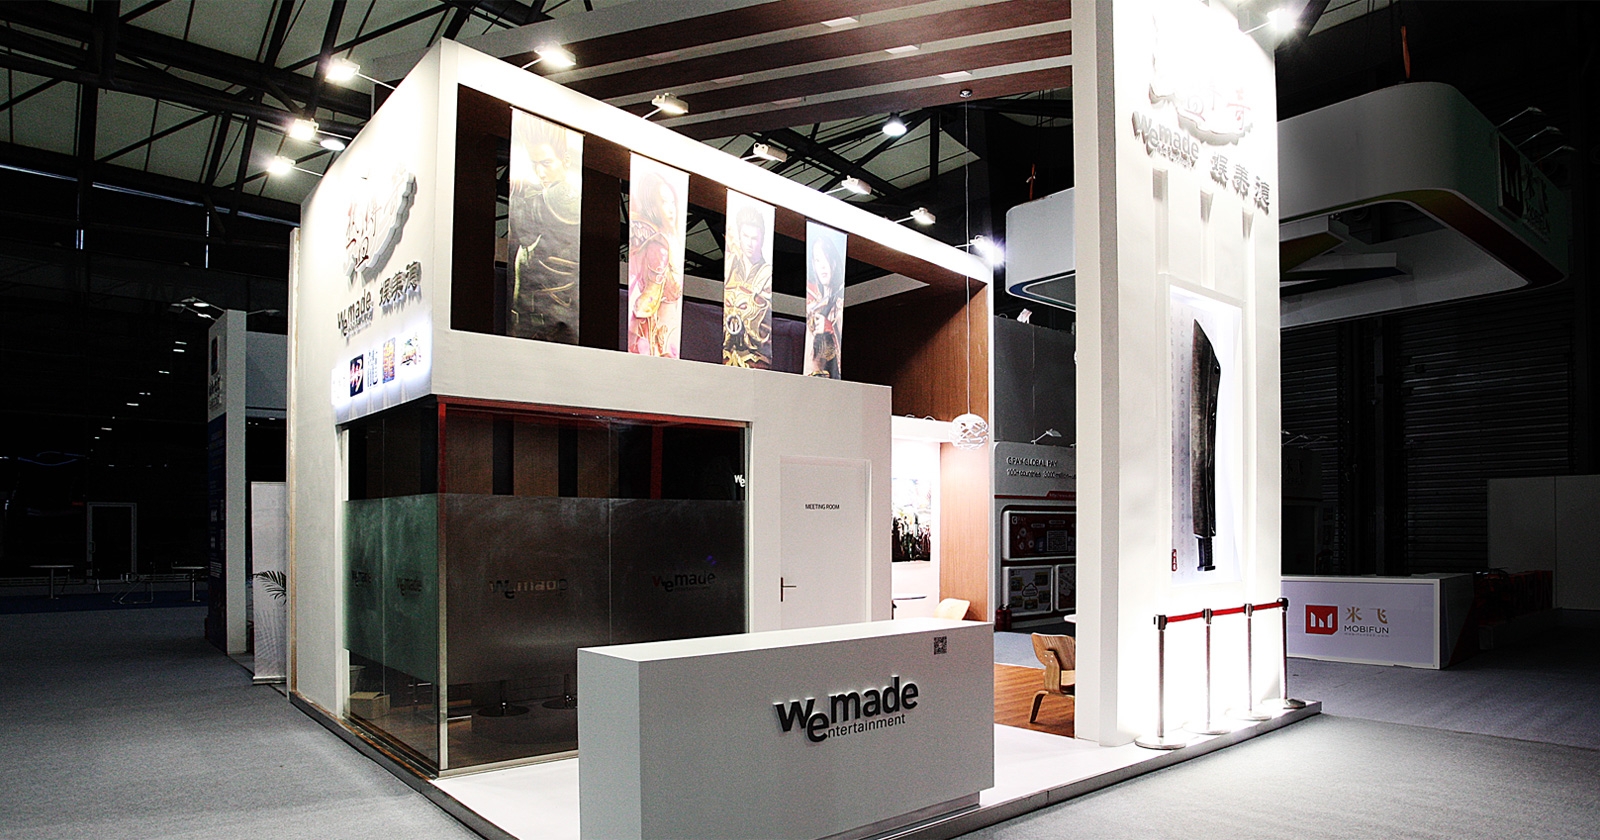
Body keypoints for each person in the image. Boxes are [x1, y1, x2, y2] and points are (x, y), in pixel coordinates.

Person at [508, 118, 581, 343]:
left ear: (565, 160)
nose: (540, 172)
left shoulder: (563, 197)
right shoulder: (539, 197)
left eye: (547, 163)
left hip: (554, 327)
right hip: (529, 324)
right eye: (535, 164)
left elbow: (523, 230)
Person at [628, 167, 684, 357]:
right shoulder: (658, 247)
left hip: (667, 334)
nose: (671, 209)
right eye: (664, 202)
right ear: (653, 207)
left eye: (672, 202)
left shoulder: (670, 242)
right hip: (655, 335)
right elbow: (648, 298)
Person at [722, 202, 773, 368]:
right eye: (745, 236)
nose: (750, 243)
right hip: (728, 355)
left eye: (754, 238)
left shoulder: (767, 275)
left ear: (762, 239)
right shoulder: (730, 267)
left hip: (756, 359)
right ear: (739, 235)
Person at [804, 235, 844, 378]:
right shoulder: (814, 305)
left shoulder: (839, 305)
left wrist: (829, 328)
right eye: (817, 260)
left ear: (834, 262)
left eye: (826, 259)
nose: (822, 266)